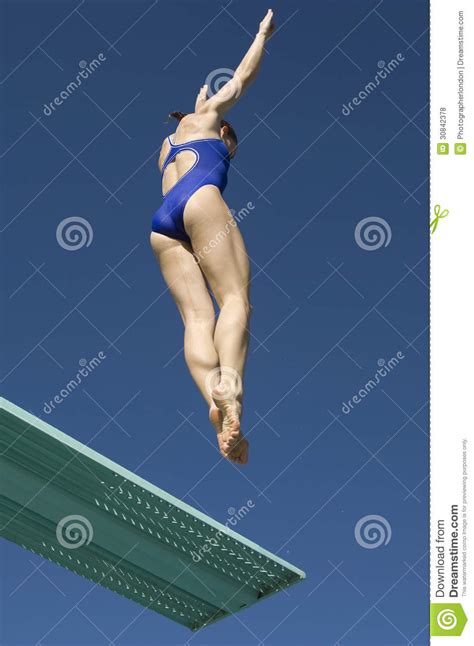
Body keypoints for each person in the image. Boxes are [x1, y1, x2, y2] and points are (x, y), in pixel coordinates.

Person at [150, 10, 275, 465]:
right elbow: (241, 78)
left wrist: (197, 102)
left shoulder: (168, 144)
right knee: (236, 299)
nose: (229, 154)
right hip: (201, 201)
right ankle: (232, 393)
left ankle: (211, 394)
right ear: (224, 134)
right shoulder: (210, 123)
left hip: (163, 224)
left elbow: (193, 113)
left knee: (196, 320)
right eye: (230, 149)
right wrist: (262, 34)